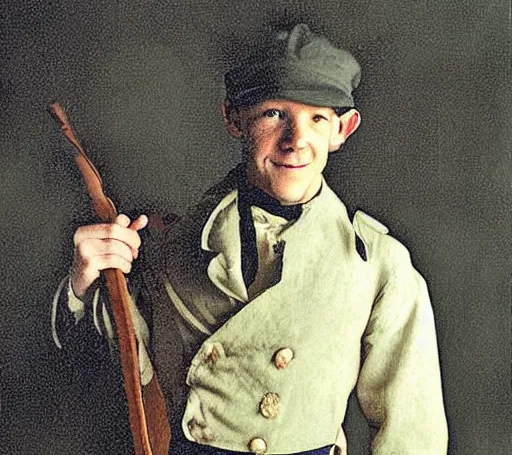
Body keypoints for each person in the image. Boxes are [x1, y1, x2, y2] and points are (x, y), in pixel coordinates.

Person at [51, 24, 448, 454]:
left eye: (316, 118)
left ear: (343, 129)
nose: (296, 142)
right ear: (234, 118)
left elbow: (412, 433)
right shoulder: (166, 247)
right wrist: (83, 282)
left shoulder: (378, 266)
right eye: (274, 114)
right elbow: (102, 379)